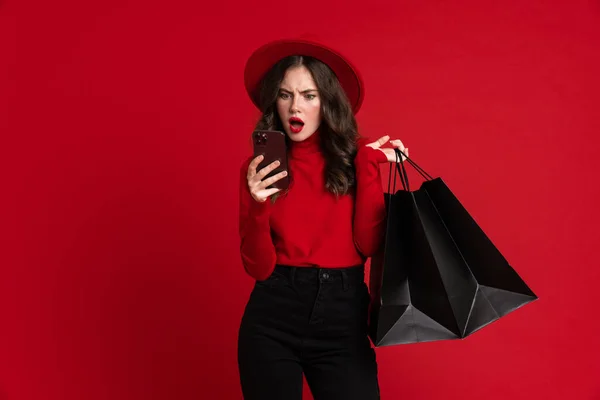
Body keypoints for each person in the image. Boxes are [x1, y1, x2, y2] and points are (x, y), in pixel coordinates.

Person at [237, 38, 409, 400]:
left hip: (342, 316)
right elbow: (258, 267)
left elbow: (369, 245)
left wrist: (366, 166)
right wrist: (257, 204)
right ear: (275, 102)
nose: (295, 106)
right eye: (285, 95)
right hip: (273, 314)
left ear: (327, 101)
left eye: (308, 95)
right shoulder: (260, 169)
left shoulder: (358, 156)